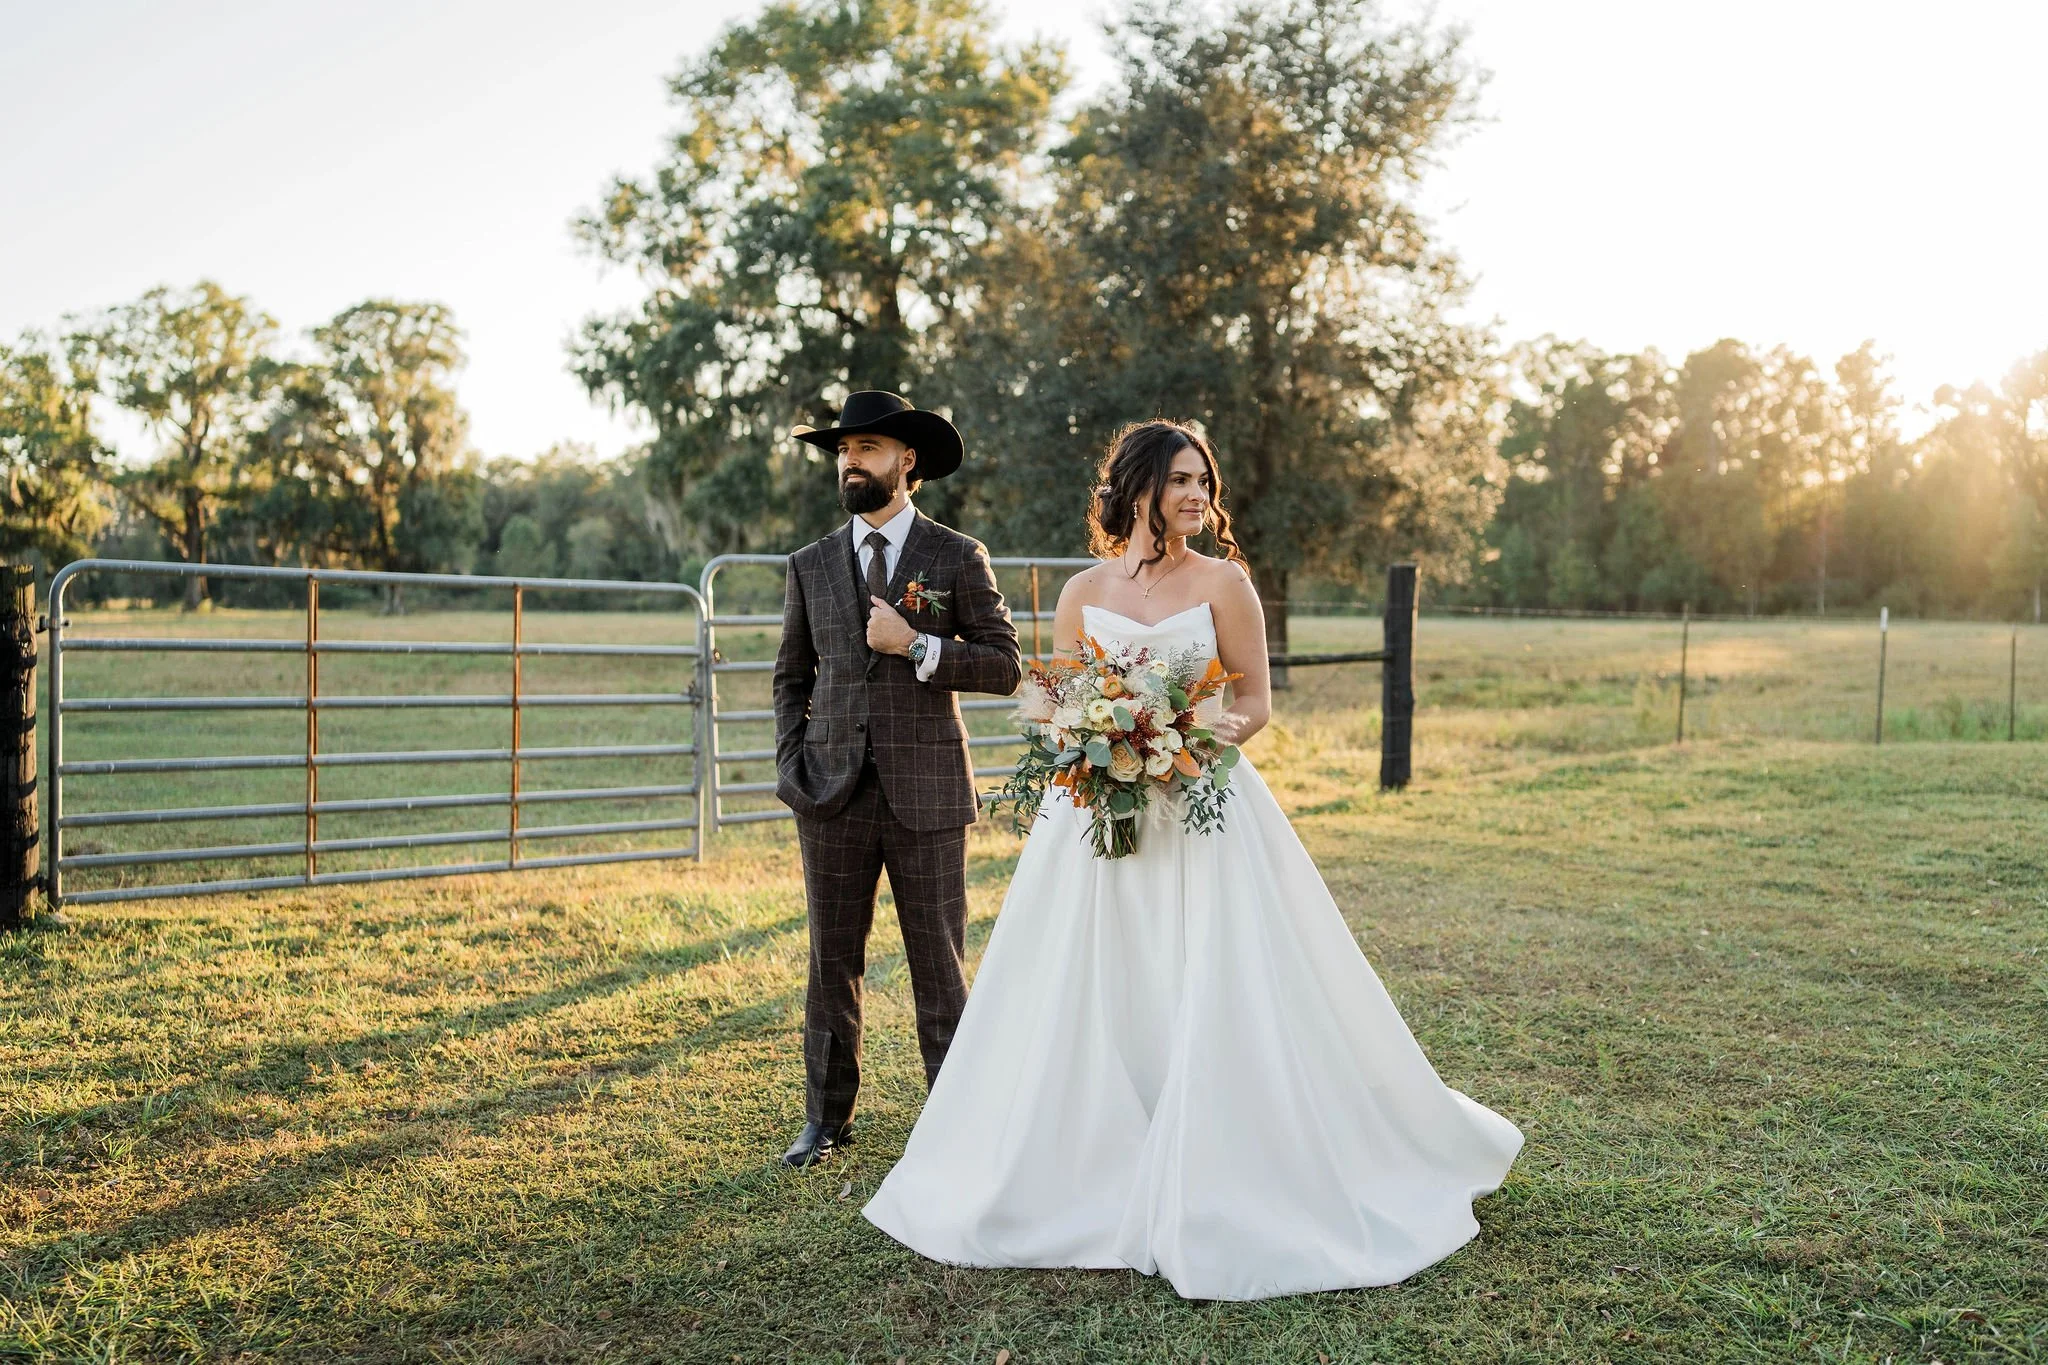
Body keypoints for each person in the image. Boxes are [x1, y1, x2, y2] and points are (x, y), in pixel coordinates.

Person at [861, 419, 1523, 1300]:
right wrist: (1091, 732)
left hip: (1200, 801)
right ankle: (1087, 1156)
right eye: (1180, 480)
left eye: (1204, 480)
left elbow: (1254, 699)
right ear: (1136, 488)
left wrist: (1178, 740)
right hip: (1095, 811)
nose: (1198, 495)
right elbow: (1060, 691)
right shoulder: (1082, 588)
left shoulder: (1226, 583)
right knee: (1086, 981)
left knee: (1212, 974)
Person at [772, 390, 1024, 1169]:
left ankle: (953, 1120)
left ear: (906, 462)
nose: (850, 461)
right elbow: (791, 677)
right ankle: (826, 1119)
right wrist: (793, 765)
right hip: (831, 792)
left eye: (868, 448)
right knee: (831, 961)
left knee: (938, 963)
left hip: (929, 792)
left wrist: (918, 642)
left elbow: (1006, 665)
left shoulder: (955, 556)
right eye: (844, 451)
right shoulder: (811, 564)